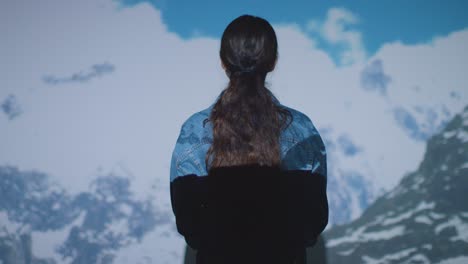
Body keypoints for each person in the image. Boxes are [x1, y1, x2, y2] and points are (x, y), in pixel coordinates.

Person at [170, 14, 328, 264]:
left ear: (223, 62)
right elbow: (311, 223)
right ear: (273, 61)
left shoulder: (195, 131)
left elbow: (191, 227)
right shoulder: (302, 129)